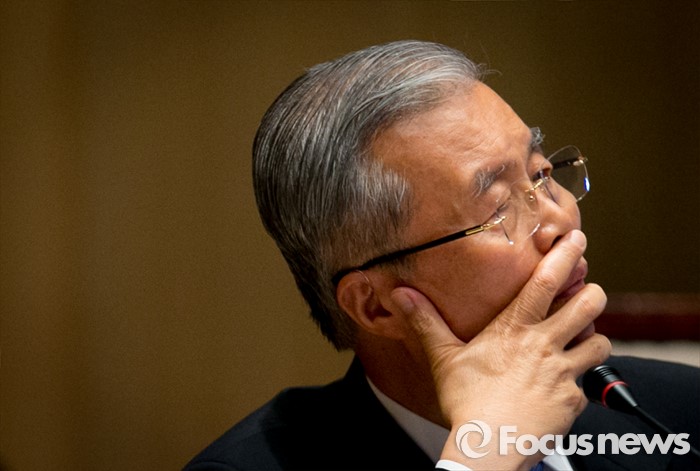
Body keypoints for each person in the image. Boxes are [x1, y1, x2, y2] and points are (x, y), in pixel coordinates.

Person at [184, 40, 699, 471]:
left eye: (541, 174)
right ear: (376, 306)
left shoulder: (676, 412)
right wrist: (483, 454)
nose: (561, 222)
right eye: (499, 209)